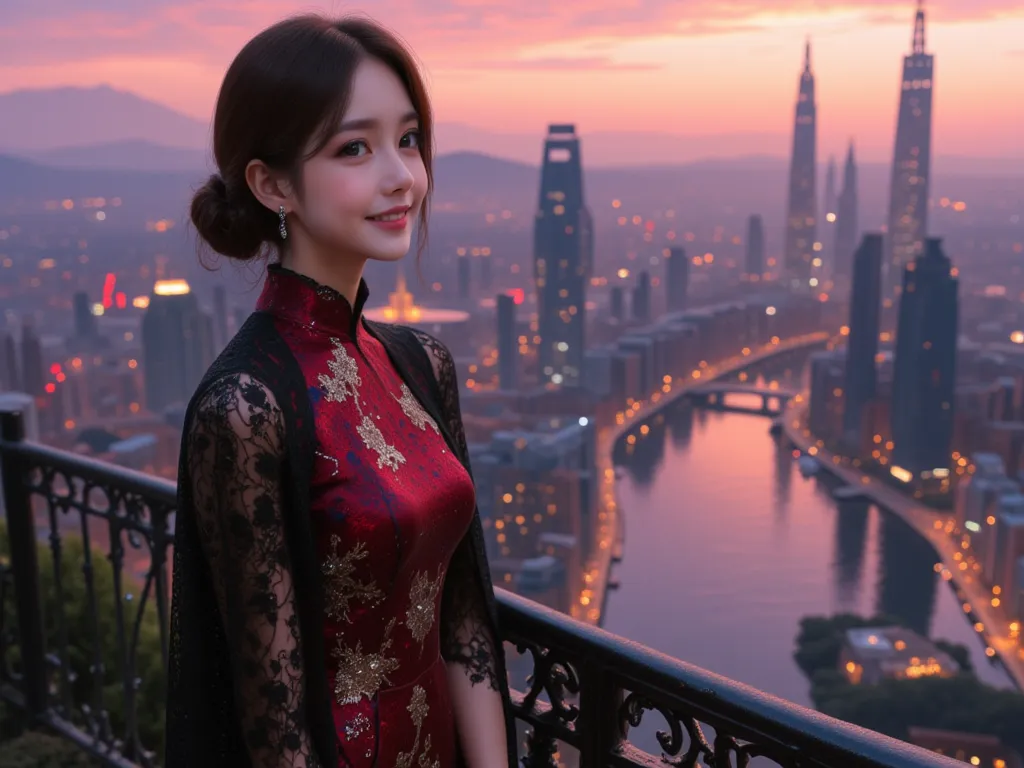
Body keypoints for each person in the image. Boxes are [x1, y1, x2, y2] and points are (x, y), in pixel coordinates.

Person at [165, 14, 516, 768]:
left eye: (410, 139)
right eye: (354, 147)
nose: (401, 176)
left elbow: (464, 617)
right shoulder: (246, 407)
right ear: (272, 184)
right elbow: (272, 716)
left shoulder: (422, 363)